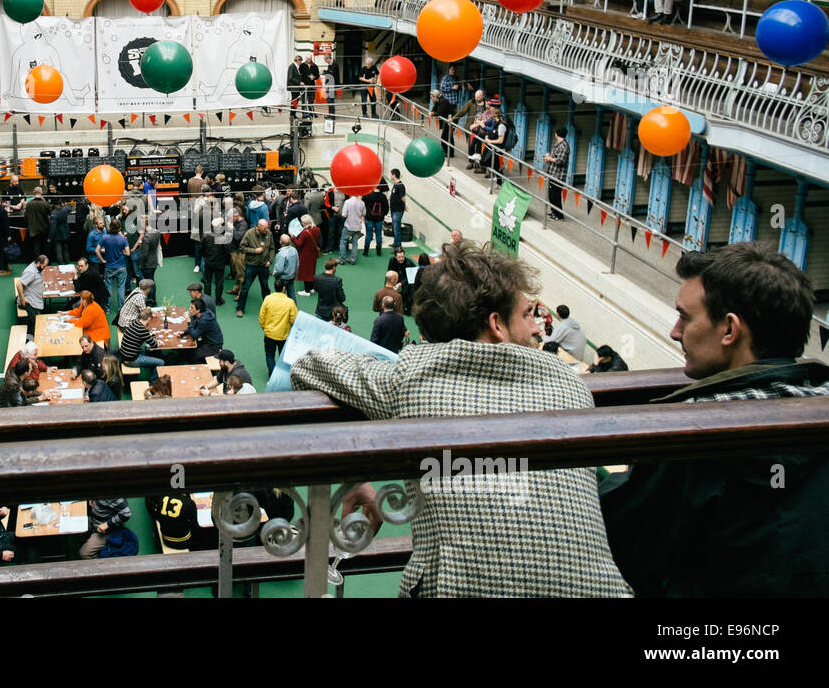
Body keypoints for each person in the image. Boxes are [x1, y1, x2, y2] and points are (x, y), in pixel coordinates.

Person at [290, 241, 632, 597]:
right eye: (528, 314)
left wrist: (355, 461)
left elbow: (308, 363)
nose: (536, 328)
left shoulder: (411, 377)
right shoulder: (570, 384)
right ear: (496, 325)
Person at [601, 242, 829, 597]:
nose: (675, 331)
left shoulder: (689, 432)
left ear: (729, 330)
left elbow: (626, 545)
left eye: (685, 317)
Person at [235, 219, 274, 318]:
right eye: (265, 228)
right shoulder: (249, 233)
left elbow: (272, 248)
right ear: (259, 226)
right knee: (245, 288)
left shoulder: (269, 233)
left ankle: (268, 308)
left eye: (267, 227)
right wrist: (254, 250)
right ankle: (240, 308)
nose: (267, 229)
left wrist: (270, 260)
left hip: (264, 266)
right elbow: (242, 247)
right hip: (251, 266)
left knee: (265, 288)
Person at [259, 279, 298, 375]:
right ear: (284, 288)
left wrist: (265, 328)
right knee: (283, 357)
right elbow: (294, 320)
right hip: (283, 335)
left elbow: (261, 316)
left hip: (269, 334)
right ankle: (281, 376)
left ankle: (272, 376)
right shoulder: (290, 302)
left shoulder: (268, 299)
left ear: (274, 287)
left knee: (270, 355)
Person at [118, 306, 164, 379]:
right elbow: (155, 345)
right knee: (161, 362)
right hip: (131, 360)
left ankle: (152, 368)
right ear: (148, 319)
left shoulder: (134, 322)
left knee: (149, 350)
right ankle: (152, 383)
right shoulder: (142, 329)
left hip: (125, 355)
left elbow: (146, 337)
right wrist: (158, 342)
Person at [96, 219, 130, 315]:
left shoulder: (105, 237)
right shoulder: (123, 239)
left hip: (109, 267)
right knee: (121, 288)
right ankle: (120, 309)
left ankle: (107, 309)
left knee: (108, 288)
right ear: (119, 228)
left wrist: (102, 260)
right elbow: (128, 253)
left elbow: (96, 250)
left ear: (110, 227)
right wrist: (121, 251)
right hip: (121, 267)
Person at [543, 126, 570, 220]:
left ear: (556, 134)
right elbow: (555, 156)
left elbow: (561, 160)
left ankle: (559, 215)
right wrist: (549, 157)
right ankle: (554, 212)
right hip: (552, 172)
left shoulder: (564, 146)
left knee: (556, 195)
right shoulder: (557, 144)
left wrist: (550, 158)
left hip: (558, 175)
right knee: (551, 195)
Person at [292, 214, 322, 297]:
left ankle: (307, 291)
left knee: (305, 273)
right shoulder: (317, 229)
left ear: (304, 223)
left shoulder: (305, 232)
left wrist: (293, 237)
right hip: (313, 254)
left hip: (305, 255)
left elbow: (299, 244)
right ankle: (311, 288)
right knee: (311, 271)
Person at [185, 296, 223, 361]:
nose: (189, 309)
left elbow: (194, 335)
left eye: (192, 308)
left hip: (213, 346)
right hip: (206, 340)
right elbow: (195, 323)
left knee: (193, 357)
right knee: (188, 351)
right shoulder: (203, 313)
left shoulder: (204, 320)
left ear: (198, 310)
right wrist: (184, 332)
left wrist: (189, 322)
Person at [201, 220, 230, 303]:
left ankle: (207, 300)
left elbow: (201, 249)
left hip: (208, 262)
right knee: (219, 282)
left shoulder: (206, 235)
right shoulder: (223, 237)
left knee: (207, 281)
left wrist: (205, 256)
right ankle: (218, 299)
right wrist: (226, 261)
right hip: (220, 263)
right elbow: (227, 251)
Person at [16, 255, 47, 320]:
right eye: (44, 266)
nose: (44, 268)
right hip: (30, 302)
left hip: (35, 299)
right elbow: (19, 284)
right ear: (38, 263)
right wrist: (22, 299)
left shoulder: (36, 268)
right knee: (35, 321)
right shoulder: (31, 271)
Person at [361, 187, 389, 257]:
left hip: (369, 218)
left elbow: (362, 201)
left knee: (368, 235)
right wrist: (383, 214)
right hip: (379, 219)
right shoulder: (383, 197)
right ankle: (378, 252)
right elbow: (386, 209)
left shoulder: (368, 195)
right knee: (378, 234)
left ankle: (366, 252)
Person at [25, 186, 52, 258]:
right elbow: (51, 214)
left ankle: (36, 263)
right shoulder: (45, 204)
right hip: (44, 228)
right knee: (44, 246)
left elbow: (26, 217)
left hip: (33, 229)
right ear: (41, 193)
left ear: (34, 193)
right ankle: (45, 262)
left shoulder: (29, 204)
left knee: (35, 246)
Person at [339, 189, 365, 265]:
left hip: (348, 226)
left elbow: (344, 214)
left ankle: (342, 259)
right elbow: (363, 214)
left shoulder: (347, 202)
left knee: (343, 241)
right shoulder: (362, 203)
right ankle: (352, 259)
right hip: (357, 226)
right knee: (355, 243)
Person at [271, 233, 299, 301]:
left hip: (282, 278)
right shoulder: (294, 250)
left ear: (280, 242)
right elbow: (297, 264)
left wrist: (274, 273)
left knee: (280, 296)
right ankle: (294, 309)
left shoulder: (281, 254)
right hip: (291, 277)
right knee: (292, 294)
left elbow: (279, 269)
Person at [430, 89, 457, 158]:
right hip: (446, 120)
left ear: (435, 96)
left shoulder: (443, 101)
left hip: (451, 120)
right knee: (446, 136)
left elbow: (440, 113)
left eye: (432, 97)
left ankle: (449, 153)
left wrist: (433, 113)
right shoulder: (438, 101)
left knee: (447, 136)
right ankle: (447, 152)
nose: (431, 99)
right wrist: (432, 111)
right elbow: (434, 108)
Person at [136, 217, 162, 282]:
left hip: (148, 264)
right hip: (154, 261)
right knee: (152, 280)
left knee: (149, 284)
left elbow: (145, 254)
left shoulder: (146, 237)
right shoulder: (157, 232)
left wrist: (141, 265)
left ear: (143, 224)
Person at [49, 198, 73, 264]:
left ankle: (60, 264)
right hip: (65, 231)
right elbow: (69, 208)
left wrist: (50, 238)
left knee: (58, 251)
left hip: (57, 234)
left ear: (56, 205)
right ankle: (67, 262)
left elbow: (53, 226)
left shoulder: (54, 213)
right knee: (65, 249)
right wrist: (64, 204)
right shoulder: (65, 209)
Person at [299, 54, 320, 120]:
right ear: (306, 59)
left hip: (311, 85)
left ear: (311, 59)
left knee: (311, 100)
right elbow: (299, 75)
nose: (309, 60)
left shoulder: (314, 66)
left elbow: (318, 75)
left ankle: (311, 113)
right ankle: (304, 113)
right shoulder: (302, 65)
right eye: (308, 59)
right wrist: (300, 82)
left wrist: (314, 77)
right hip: (304, 86)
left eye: (310, 59)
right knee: (304, 100)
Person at [287, 55, 304, 122]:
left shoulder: (295, 67)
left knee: (295, 101)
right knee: (294, 101)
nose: (301, 62)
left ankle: (293, 114)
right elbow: (290, 78)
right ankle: (292, 115)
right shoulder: (292, 66)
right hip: (293, 87)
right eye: (300, 61)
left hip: (296, 87)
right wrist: (299, 83)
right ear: (297, 60)